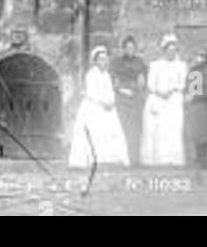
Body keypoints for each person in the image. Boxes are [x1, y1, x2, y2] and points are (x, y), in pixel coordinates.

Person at [67, 47, 129, 169]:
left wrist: (111, 101)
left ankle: (108, 159)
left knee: (110, 132)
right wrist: (103, 102)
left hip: (107, 107)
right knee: (95, 131)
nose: (104, 62)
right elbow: (92, 93)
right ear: (95, 61)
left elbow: (110, 90)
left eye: (105, 60)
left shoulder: (106, 75)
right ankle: (93, 158)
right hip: (94, 106)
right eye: (101, 60)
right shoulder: (91, 74)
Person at [140, 33, 187, 166]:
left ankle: (173, 158)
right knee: (158, 129)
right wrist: (159, 92)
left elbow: (182, 83)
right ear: (164, 50)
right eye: (169, 50)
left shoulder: (181, 65)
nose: (171, 53)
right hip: (158, 99)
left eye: (174, 50)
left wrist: (171, 90)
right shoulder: (155, 65)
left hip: (173, 100)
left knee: (173, 128)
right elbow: (150, 83)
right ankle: (158, 158)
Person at [111, 35, 147, 165]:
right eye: (127, 47)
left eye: (132, 47)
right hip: (122, 98)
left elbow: (143, 79)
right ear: (123, 49)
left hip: (136, 98)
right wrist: (122, 88)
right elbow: (114, 81)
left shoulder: (140, 62)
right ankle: (125, 158)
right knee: (124, 127)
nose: (130, 49)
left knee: (136, 128)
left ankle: (135, 158)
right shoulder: (117, 62)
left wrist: (140, 84)